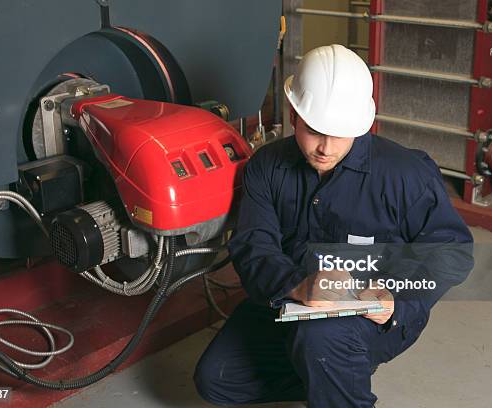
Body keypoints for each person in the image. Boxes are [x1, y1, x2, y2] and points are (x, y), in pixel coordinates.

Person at [194, 44, 474, 407]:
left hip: (374, 310)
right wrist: (297, 286)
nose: (325, 147)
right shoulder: (266, 167)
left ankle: (338, 367)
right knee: (216, 379)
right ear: (294, 114)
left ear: (363, 124)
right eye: (314, 130)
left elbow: (453, 250)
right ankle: (333, 371)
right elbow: (253, 246)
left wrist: (395, 297)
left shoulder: (405, 174)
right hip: (291, 300)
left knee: (320, 337)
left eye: (340, 133)